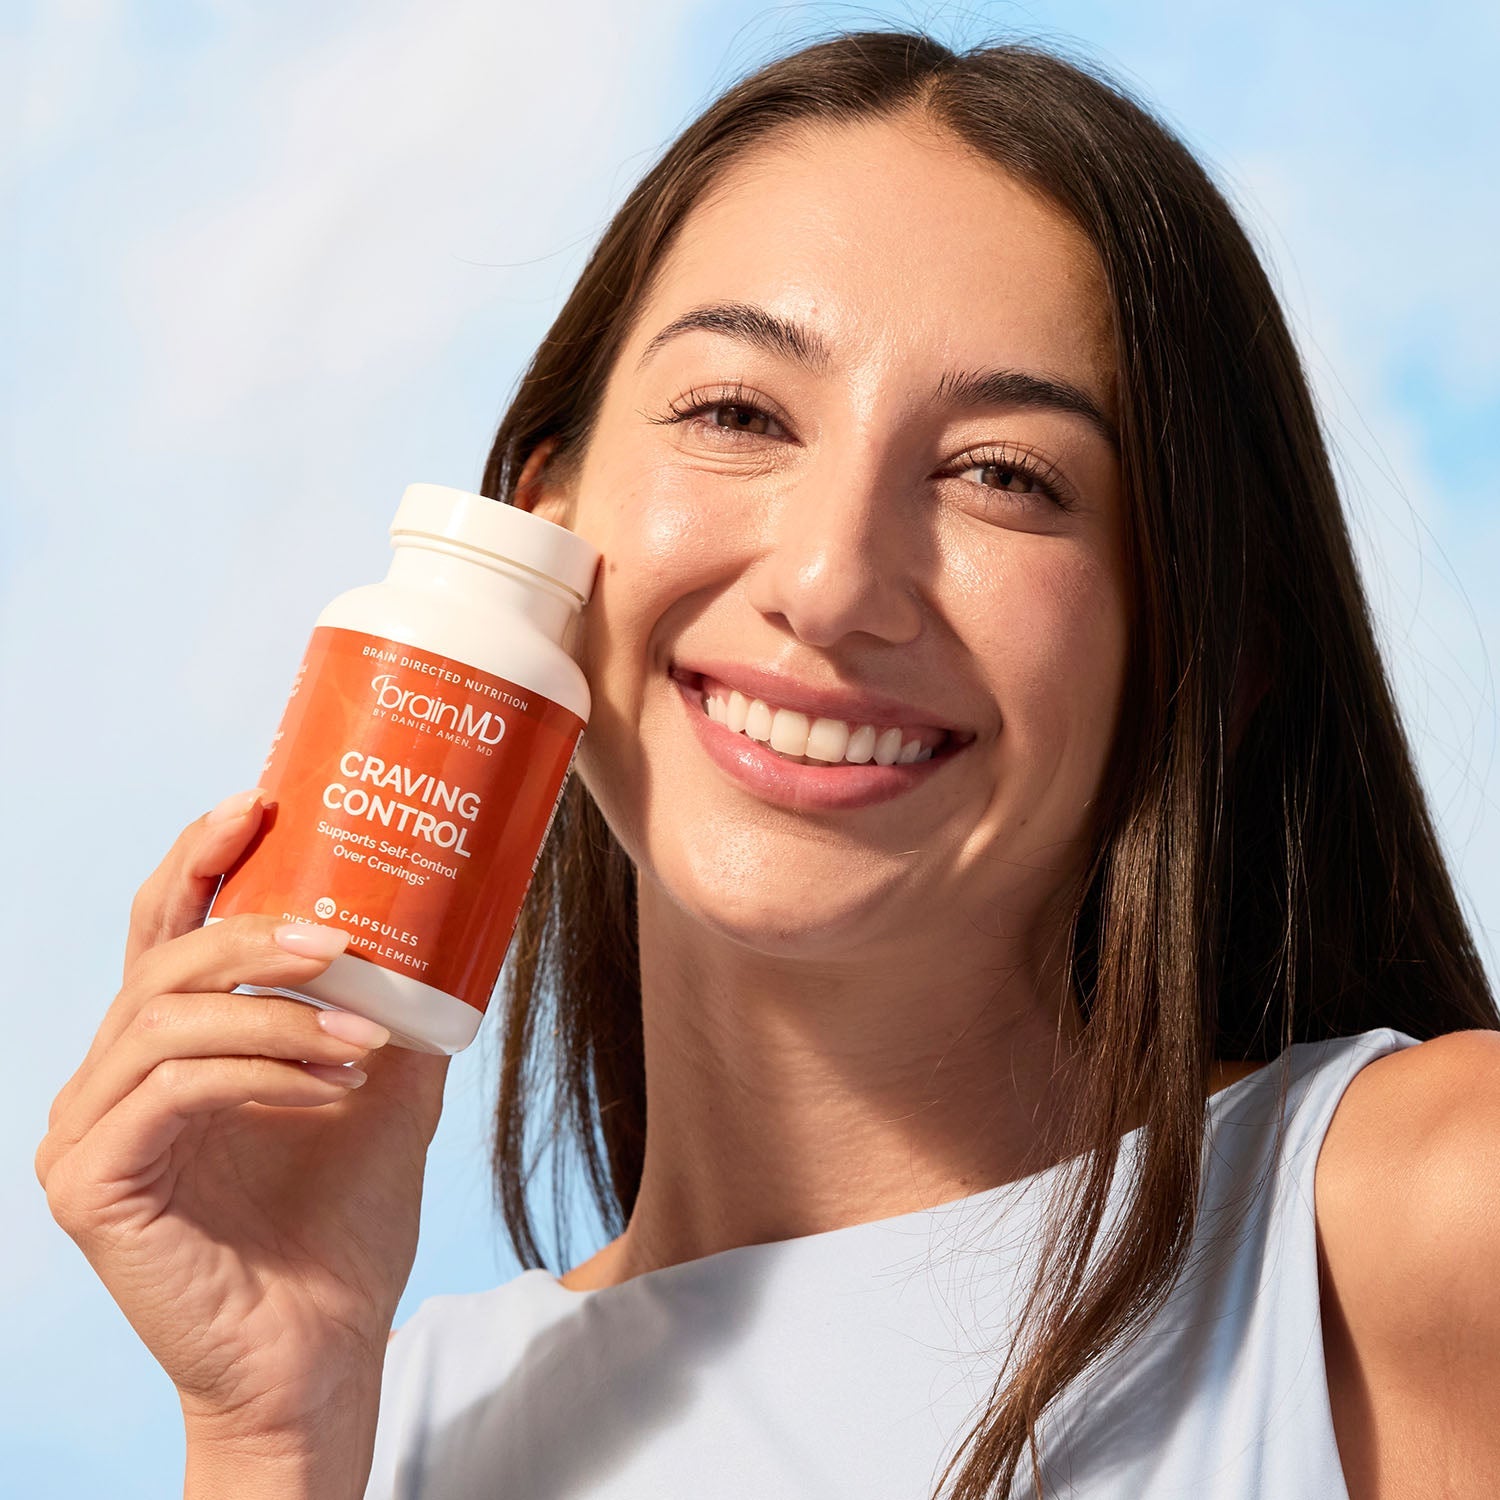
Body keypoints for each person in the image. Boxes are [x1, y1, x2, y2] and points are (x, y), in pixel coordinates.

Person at [35, 27, 1500, 1500]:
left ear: (1208, 647)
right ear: (544, 533)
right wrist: (269, 1439)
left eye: (1005, 474)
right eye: (736, 414)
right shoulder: (385, 1412)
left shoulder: (1408, 1225)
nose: (830, 577)